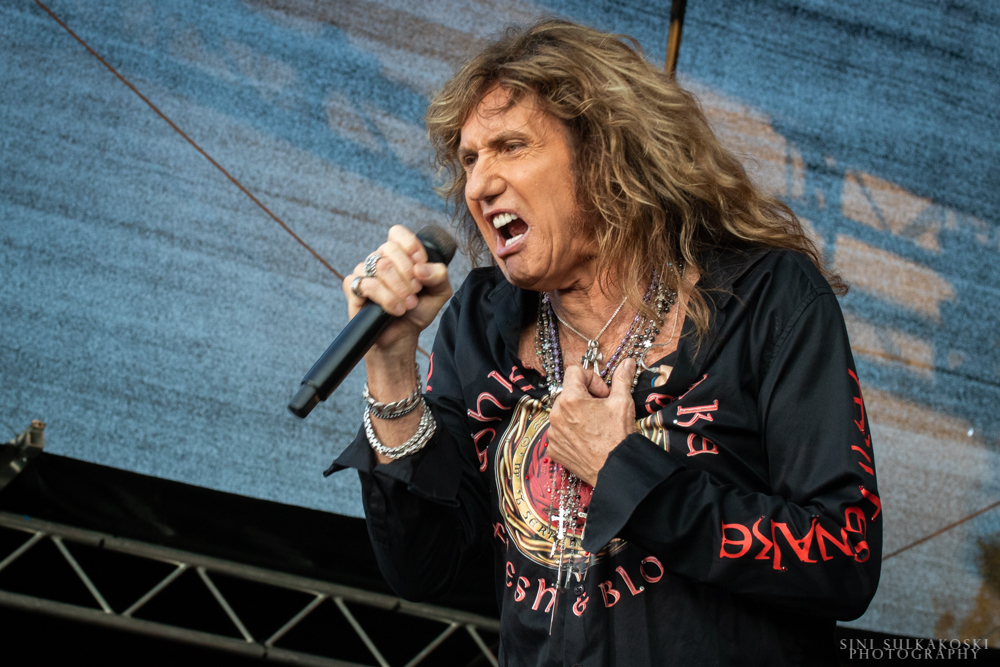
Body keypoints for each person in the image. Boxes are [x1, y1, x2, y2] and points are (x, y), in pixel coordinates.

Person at [327, 19, 881, 667]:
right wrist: (391, 364)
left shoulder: (766, 300)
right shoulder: (481, 323)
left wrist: (626, 472)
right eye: (470, 159)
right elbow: (424, 565)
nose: (478, 184)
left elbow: (844, 559)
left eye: (511, 146)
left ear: (606, 156)